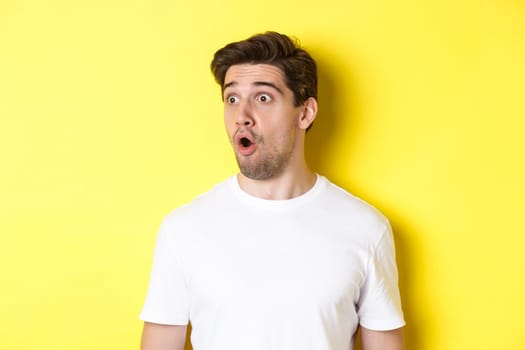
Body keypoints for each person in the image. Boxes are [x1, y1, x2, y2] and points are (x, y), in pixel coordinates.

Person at [140, 31, 405, 350]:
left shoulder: (366, 229)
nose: (242, 117)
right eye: (232, 99)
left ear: (305, 113)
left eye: (263, 98)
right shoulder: (182, 229)